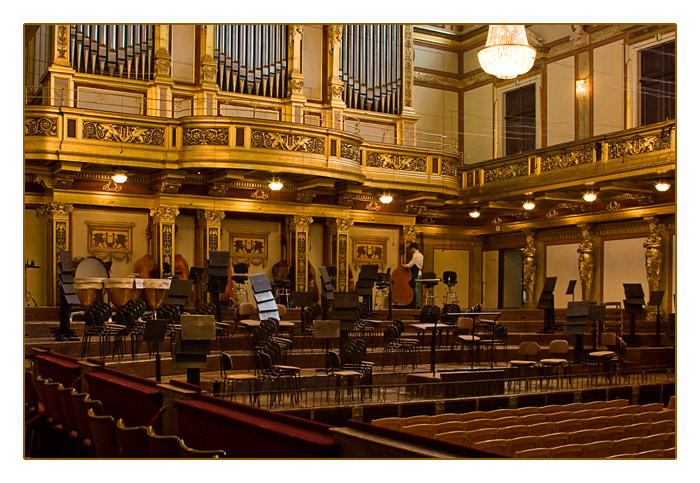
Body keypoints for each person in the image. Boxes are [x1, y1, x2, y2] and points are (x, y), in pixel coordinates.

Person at [403, 242, 424, 309]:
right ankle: (416, 303)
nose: (410, 250)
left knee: (415, 288)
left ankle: (416, 303)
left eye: (411, 249)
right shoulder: (421, 255)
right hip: (419, 273)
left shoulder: (415, 255)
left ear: (413, 248)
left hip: (416, 273)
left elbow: (410, 264)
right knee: (416, 288)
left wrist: (404, 266)